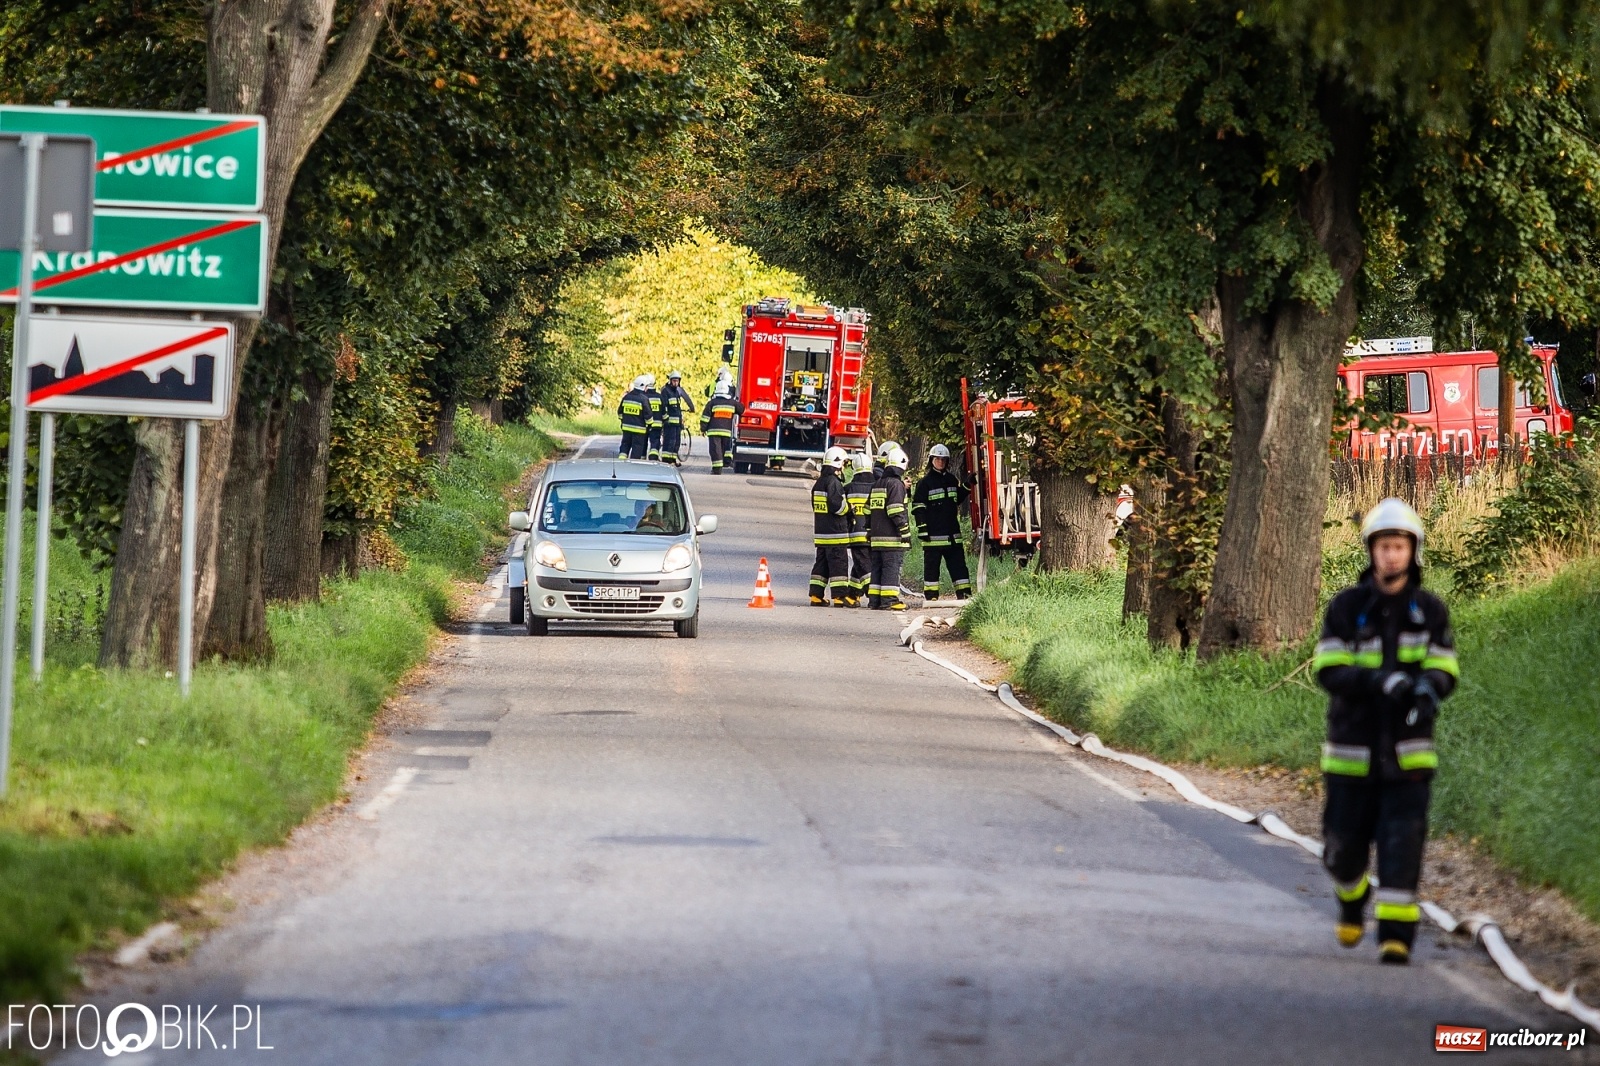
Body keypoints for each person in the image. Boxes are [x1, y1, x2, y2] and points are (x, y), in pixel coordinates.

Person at [1313, 497, 1459, 966]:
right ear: (1371, 551)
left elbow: (1445, 667)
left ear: (1412, 551)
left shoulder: (1430, 611)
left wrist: (1427, 689)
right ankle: (1352, 898)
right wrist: (1379, 681)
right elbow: (1329, 669)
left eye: (1399, 546)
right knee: (1341, 850)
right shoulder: (1346, 607)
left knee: (1402, 846)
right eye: (1384, 546)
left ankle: (1396, 936)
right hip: (1351, 756)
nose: (1391, 555)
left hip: (1408, 758)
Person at [911, 443, 972, 601]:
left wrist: (966, 486)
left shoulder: (952, 480)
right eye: (938, 459)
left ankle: (964, 595)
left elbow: (956, 499)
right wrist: (922, 528)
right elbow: (918, 506)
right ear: (931, 460)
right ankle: (931, 597)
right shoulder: (924, 483)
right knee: (932, 569)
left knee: (959, 568)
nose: (941, 462)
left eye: (944, 459)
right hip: (933, 537)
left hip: (952, 535)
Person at [865, 445, 911, 610]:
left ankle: (875, 600)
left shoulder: (877, 484)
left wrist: (869, 531)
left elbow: (867, 510)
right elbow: (895, 510)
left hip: (876, 539)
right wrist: (905, 531)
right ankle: (889, 601)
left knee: (877, 569)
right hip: (892, 539)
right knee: (891, 569)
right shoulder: (896, 485)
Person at [809, 447, 854, 606]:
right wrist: (849, 508)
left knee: (821, 565)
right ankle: (839, 597)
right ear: (838, 464)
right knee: (838, 566)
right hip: (836, 534)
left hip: (822, 534)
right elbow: (838, 506)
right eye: (843, 464)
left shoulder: (819, 483)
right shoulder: (834, 483)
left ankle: (816, 595)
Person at [843, 451, 875, 607]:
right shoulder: (878, 486)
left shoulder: (848, 488)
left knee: (863, 565)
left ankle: (873, 594)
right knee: (860, 564)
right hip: (873, 534)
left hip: (855, 535)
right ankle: (852, 595)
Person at [700, 382, 743, 474]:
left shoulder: (712, 403)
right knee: (724, 449)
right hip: (726, 432)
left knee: (715, 450)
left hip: (713, 432)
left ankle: (717, 469)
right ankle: (725, 463)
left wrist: (703, 429)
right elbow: (742, 409)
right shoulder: (732, 403)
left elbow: (705, 417)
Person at [660, 370, 695, 464]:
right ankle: (666, 460)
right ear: (670, 381)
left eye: (677, 381)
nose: (676, 383)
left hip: (677, 423)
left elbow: (680, 405)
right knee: (669, 441)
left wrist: (691, 409)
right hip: (669, 423)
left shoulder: (676, 391)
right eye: (674, 381)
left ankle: (673, 459)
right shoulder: (665, 391)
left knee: (676, 442)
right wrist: (666, 419)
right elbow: (664, 406)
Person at [617, 376, 652, 459]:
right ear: (643, 386)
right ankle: (633, 467)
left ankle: (621, 463)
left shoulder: (626, 397)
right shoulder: (644, 399)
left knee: (624, 446)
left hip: (626, 429)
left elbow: (620, 412)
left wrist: (623, 421)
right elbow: (648, 416)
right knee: (637, 449)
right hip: (639, 431)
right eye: (646, 386)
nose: (647, 388)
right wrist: (649, 426)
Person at [644, 374, 665, 461]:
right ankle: (653, 456)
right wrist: (665, 421)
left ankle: (641, 458)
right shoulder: (659, 397)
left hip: (645, 425)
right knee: (655, 440)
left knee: (643, 441)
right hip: (657, 425)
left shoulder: (643, 397)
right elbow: (664, 412)